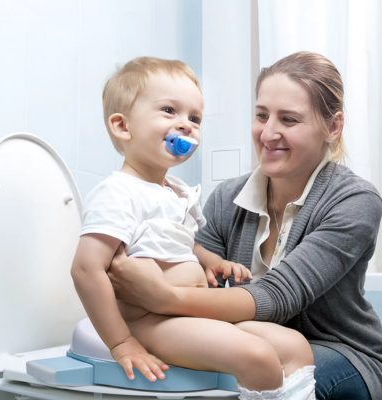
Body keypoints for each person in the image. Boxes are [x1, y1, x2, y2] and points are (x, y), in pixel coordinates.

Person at [107, 52, 382, 400]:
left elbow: (278, 297)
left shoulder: (354, 200)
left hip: (340, 349)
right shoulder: (226, 197)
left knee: (269, 378)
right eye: (262, 115)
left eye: (289, 120)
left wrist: (161, 297)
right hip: (246, 337)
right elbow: (195, 276)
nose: (268, 133)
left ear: (333, 127)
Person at [71, 56, 316, 400]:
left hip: (184, 312)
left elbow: (177, 241)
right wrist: (121, 342)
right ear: (123, 126)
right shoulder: (118, 193)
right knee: (257, 356)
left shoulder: (176, 190)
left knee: (294, 345)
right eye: (169, 111)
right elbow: (86, 269)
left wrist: (209, 260)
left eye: (194, 117)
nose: (186, 124)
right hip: (148, 320)